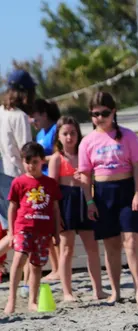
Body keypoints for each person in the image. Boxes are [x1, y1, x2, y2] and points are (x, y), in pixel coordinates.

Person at [79, 91, 138, 304]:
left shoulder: (128, 136)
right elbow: (85, 175)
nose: (100, 118)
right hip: (102, 193)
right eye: (95, 114)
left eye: (104, 113)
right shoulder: (87, 142)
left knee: (132, 241)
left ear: (113, 112)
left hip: (126, 189)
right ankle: (116, 291)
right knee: (111, 244)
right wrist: (90, 201)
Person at [48, 116, 106, 301]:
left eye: (73, 133)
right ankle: (67, 292)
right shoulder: (57, 159)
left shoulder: (84, 154)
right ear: (58, 136)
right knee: (66, 248)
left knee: (92, 247)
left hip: (84, 201)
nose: (69, 137)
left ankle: (98, 289)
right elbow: (52, 188)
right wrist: (57, 215)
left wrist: (91, 202)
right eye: (65, 133)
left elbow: (89, 181)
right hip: (66, 204)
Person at [4, 142, 61, 314]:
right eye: (27, 162)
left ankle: (32, 301)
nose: (31, 166)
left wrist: (56, 233)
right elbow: (12, 207)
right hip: (24, 227)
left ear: (42, 161)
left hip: (43, 230)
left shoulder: (50, 183)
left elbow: (56, 209)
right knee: (20, 258)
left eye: (35, 161)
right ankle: (12, 299)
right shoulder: (18, 182)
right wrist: (12, 232)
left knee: (36, 266)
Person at [0, 70, 37, 271]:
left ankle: (26, 282)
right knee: (21, 230)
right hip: (16, 176)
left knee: (12, 229)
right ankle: (26, 282)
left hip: (1, 173)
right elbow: (27, 150)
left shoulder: (0, 112)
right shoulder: (20, 116)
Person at [33, 98, 62, 281]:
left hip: (54, 180)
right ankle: (55, 267)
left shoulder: (54, 131)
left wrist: (43, 160)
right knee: (46, 227)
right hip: (40, 182)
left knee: (56, 226)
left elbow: (60, 154)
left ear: (44, 114)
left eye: (35, 118)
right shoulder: (39, 135)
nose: (34, 122)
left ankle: (60, 267)